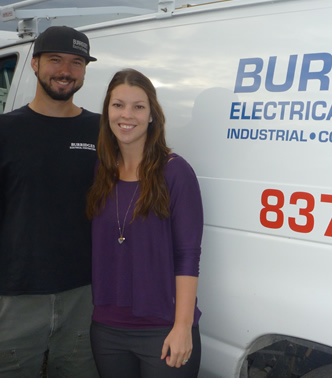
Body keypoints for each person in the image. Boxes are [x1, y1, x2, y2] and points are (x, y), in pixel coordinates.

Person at [86, 68, 203, 377]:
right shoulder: (101, 171)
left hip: (163, 329)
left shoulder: (176, 173)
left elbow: (188, 256)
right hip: (107, 330)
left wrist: (182, 326)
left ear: (152, 115)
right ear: (107, 111)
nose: (127, 115)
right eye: (118, 105)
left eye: (138, 106)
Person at [0, 26, 100, 377]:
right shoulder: (6, 131)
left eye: (76, 62)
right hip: (15, 297)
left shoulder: (101, 131)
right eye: (55, 59)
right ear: (35, 64)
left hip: (84, 294)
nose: (66, 71)